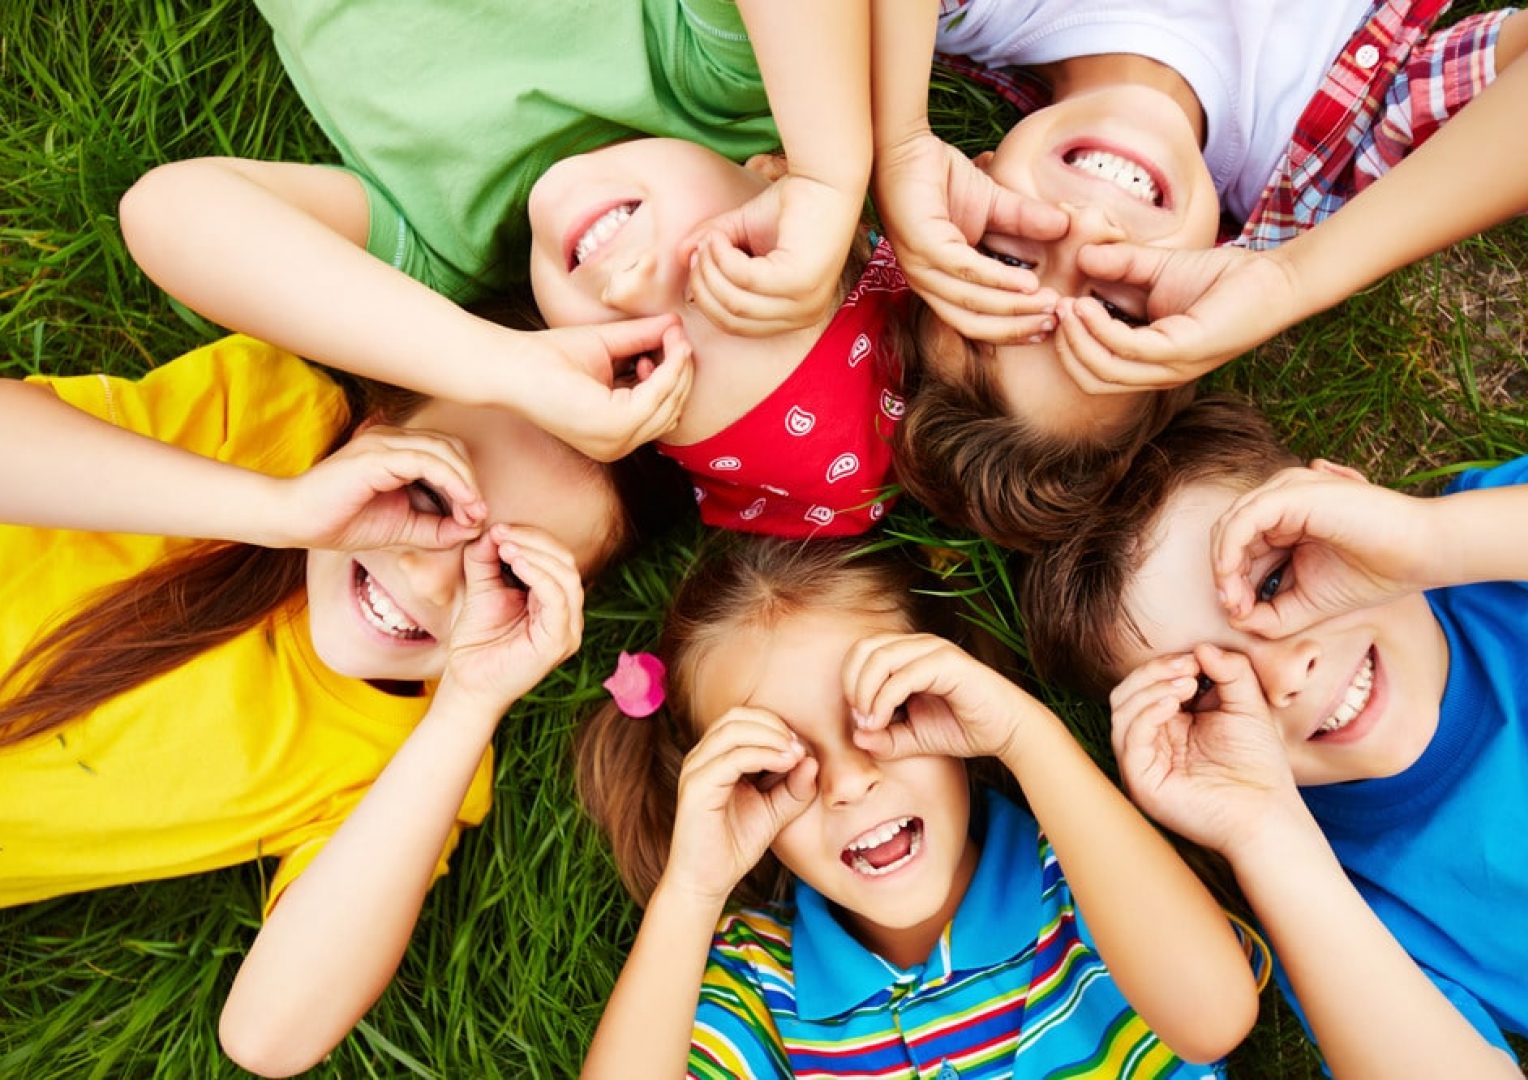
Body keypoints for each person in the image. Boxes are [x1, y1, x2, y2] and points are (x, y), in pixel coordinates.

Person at [0, 332, 669, 1077]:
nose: (429, 576)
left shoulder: (409, 761)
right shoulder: (260, 420)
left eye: (509, 574)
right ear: (373, 432)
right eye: (429, 494)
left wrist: (469, 704)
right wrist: (283, 510)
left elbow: (268, 1036)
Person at [118, 0, 913, 537]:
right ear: (771, 176)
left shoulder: (442, 251)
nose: (632, 285)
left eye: (637, 361)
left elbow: (171, 212)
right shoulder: (720, 79)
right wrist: (830, 169)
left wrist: (501, 365)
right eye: (733, 266)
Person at [876, 0, 1528, 551]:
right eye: (1118, 308)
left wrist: (897, 135)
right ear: (1197, 294)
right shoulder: (1337, 166)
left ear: (967, 184)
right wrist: (1290, 278)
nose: (1087, 231)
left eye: (1006, 263)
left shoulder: (970, 15)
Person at [1018, 395, 1528, 1072]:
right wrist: (1264, 832)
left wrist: (1431, 540)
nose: (1284, 675)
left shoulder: (1513, 550)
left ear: (1345, 502)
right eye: (1207, 688)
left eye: (1276, 581)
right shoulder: (1330, 895)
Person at [574, 538, 1263, 1078]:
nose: (848, 783)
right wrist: (692, 889)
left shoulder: (1088, 874)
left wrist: (1025, 736)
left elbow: (1217, 1019)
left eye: (885, 712)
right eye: (776, 763)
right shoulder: (762, 981)